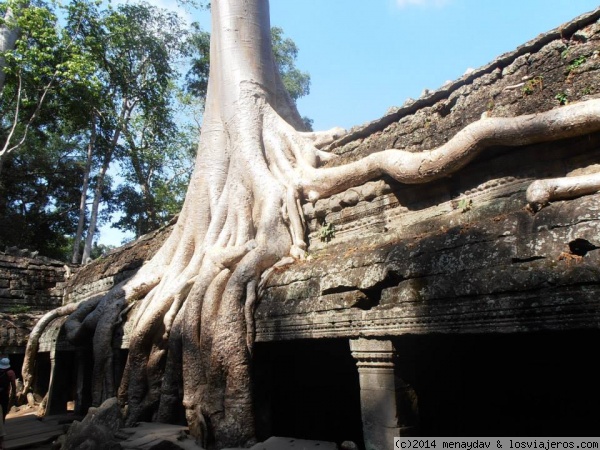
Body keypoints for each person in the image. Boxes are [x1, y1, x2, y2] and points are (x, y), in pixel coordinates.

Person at [0, 358, 16, 422]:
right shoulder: (11, 372)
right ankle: (2, 421)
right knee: (4, 408)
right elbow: (13, 385)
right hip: (4, 393)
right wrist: (14, 393)